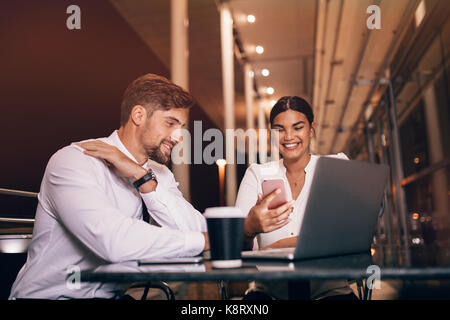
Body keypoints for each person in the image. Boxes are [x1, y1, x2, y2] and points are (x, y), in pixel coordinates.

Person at [9, 74, 209, 300]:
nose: (178, 137)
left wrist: (141, 177)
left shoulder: (157, 172)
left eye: (181, 127)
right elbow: (114, 243)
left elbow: (195, 228)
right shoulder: (74, 160)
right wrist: (203, 240)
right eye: (170, 123)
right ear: (138, 115)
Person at [235, 96, 358, 300]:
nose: (288, 136)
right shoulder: (256, 174)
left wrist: (274, 248)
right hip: (269, 293)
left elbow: (351, 239)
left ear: (311, 129)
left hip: (330, 293)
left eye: (298, 127)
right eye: (280, 129)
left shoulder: (337, 167)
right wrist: (249, 228)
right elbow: (238, 249)